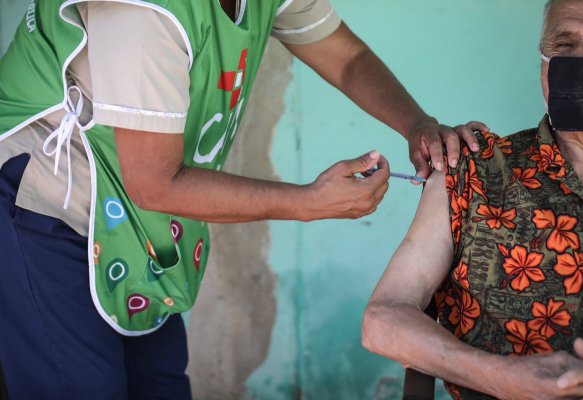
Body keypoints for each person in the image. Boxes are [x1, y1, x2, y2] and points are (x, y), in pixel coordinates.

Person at [0, 0, 485, 398]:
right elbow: (156, 184)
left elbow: (346, 57)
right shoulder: (142, 12)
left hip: (137, 224)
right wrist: (308, 203)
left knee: (161, 384)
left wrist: (415, 122)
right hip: (48, 207)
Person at [362, 0, 583, 399]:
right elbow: (382, 321)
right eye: (563, 46)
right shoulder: (472, 170)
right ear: (542, 65)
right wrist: (498, 376)